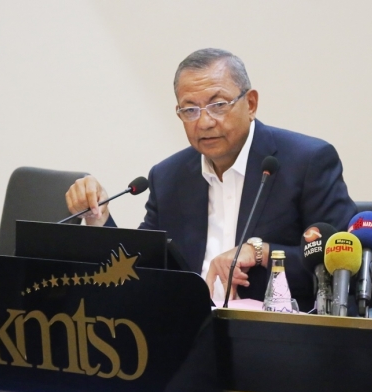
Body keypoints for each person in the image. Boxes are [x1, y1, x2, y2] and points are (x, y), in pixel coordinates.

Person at [65, 48, 356, 309]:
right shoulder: (168, 176)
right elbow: (143, 267)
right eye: (190, 110)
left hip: (275, 333)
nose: (204, 122)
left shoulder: (307, 162)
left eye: (218, 105)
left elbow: (344, 265)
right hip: (189, 331)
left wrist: (261, 252)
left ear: (251, 103)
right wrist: (98, 218)